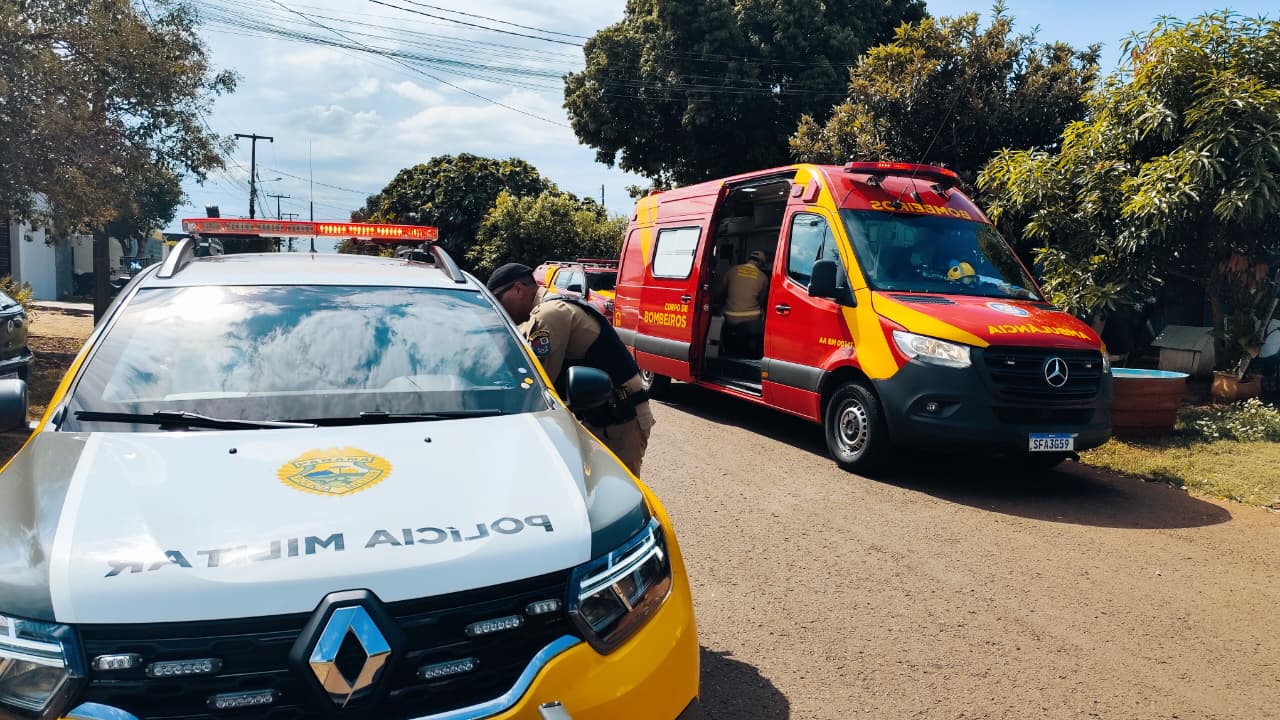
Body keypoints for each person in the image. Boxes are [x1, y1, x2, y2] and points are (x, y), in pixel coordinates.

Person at [487, 263, 655, 475]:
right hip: (603, 417)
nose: (498, 308)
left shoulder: (550, 314)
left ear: (518, 289)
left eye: (498, 299)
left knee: (617, 496)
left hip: (620, 422)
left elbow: (539, 386)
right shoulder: (547, 309)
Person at [714, 249, 770, 356]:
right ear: (761, 263)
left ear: (749, 259)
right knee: (762, 315)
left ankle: (725, 348)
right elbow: (762, 300)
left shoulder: (732, 270)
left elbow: (721, 293)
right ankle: (751, 353)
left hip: (730, 318)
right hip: (751, 319)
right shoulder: (763, 277)